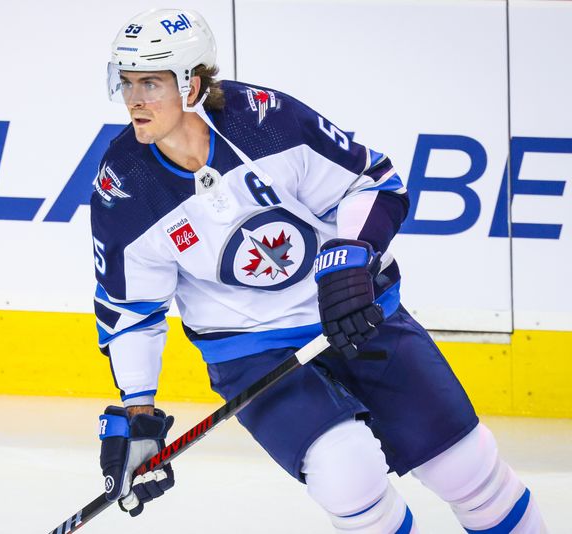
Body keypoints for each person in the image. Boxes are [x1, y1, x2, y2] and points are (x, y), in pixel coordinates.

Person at [91, 8, 546, 533]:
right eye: (126, 83)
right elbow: (131, 309)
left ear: (192, 83)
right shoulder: (122, 185)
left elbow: (373, 182)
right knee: (346, 475)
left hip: (353, 310)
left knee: (468, 470)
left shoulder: (264, 120)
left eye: (151, 82)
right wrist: (139, 411)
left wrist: (348, 259)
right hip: (252, 351)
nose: (134, 100)